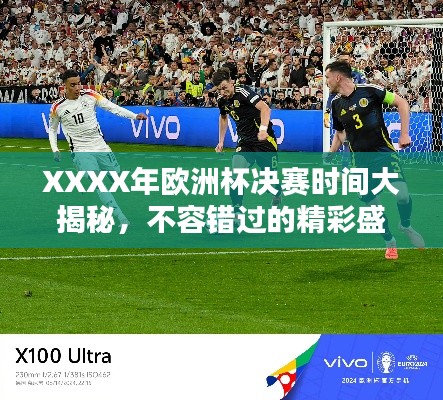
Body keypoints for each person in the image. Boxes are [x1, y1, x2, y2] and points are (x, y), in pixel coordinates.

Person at [324, 60, 424, 260]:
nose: (325, 81)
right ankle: (389, 241)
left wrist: (404, 133)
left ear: (338, 77)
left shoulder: (369, 91)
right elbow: (340, 133)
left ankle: (405, 225)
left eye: (327, 77)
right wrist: (332, 152)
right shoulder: (335, 104)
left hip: (384, 153)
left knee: (402, 195)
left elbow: (401, 103)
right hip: (360, 162)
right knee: (373, 206)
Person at [48, 70, 147, 226]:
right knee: (97, 182)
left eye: (79, 83)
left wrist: (134, 116)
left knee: (116, 176)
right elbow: (52, 129)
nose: (77, 88)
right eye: (73, 85)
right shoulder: (57, 107)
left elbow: (112, 107)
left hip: (100, 145)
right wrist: (55, 149)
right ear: (64, 86)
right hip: (80, 149)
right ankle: (120, 217)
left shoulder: (90, 95)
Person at [212, 67, 282, 223]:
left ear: (231, 82)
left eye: (224, 87)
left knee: (269, 180)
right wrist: (221, 141)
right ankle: (237, 212)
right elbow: (223, 117)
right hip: (245, 142)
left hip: (264, 141)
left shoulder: (243, 92)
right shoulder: (222, 100)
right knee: (236, 173)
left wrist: (263, 129)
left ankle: (277, 193)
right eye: (219, 89)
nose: (222, 92)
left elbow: (265, 108)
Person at [324, 52, 366, 169]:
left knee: (349, 139)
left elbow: (363, 91)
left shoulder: (358, 75)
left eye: (346, 60)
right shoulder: (335, 77)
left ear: (350, 60)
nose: (344, 62)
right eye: (341, 60)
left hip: (358, 110)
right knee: (345, 137)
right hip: (342, 109)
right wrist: (327, 112)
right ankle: (345, 168)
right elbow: (332, 95)